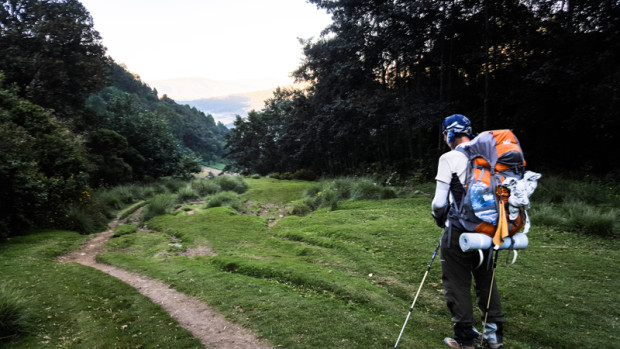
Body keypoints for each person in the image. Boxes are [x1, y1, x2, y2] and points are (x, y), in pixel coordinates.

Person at [431, 114, 505, 349]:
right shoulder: (488, 156)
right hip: (489, 230)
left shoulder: (449, 157)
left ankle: (465, 340)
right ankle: (494, 338)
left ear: (450, 134)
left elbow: (438, 203)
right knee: (486, 280)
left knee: (456, 282)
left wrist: (438, 217)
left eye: (445, 134)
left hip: (460, 231)